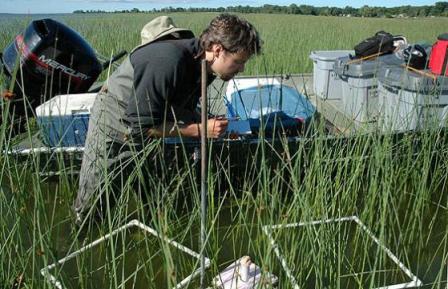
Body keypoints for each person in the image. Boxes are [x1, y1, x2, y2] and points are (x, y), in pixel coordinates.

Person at [73, 14, 262, 224]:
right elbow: (140, 129)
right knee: (96, 202)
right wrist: (200, 129)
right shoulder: (167, 60)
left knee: (153, 191)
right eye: (238, 62)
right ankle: (84, 231)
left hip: (153, 118)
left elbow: (180, 105)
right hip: (116, 119)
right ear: (217, 50)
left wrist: (211, 122)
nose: (242, 69)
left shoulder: (205, 66)